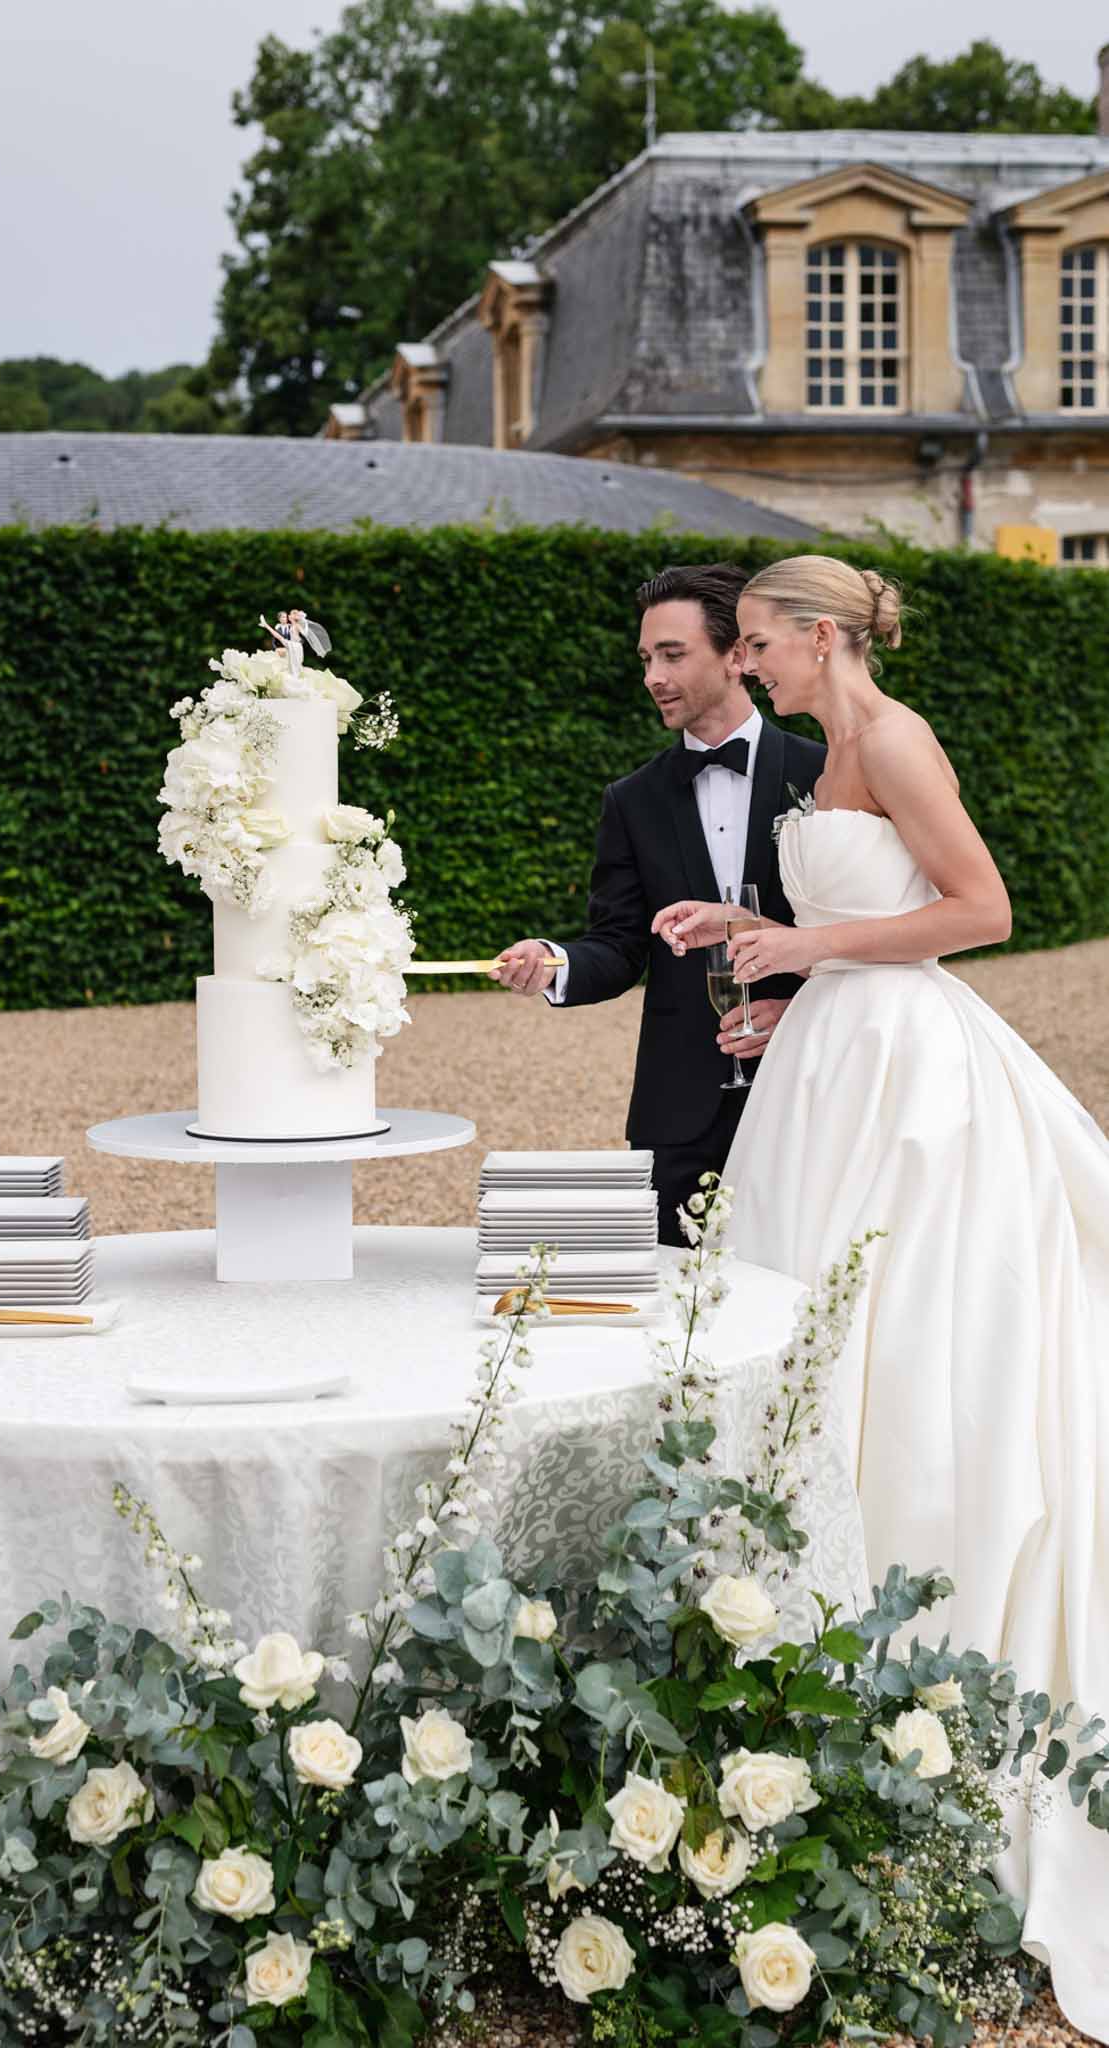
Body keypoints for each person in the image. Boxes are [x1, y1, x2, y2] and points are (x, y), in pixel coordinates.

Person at [652, 552, 1109, 2043]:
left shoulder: (896, 735)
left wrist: (813, 944)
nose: (754, 667)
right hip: (829, 1062)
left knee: (910, 1349)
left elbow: (980, 906)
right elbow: (868, 923)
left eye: (764, 646)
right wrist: (767, 964)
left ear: (819, 635)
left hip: (915, 1082)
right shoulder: (828, 752)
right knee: (803, 1349)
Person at [492, 563, 824, 1243]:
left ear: (736, 656)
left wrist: (799, 1011)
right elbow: (616, 943)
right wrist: (551, 963)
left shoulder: (825, 771)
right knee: (680, 1309)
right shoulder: (631, 800)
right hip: (680, 1105)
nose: (652, 676)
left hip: (811, 1081)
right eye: (645, 658)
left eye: (671, 654)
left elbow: (867, 929)